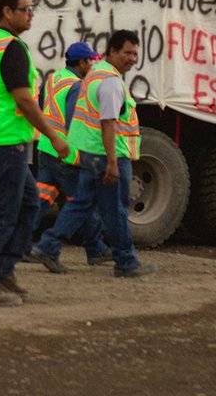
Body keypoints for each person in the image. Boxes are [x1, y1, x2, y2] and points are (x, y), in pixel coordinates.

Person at [0, 0, 70, 307]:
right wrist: (53, 135)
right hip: (5, 142)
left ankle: (3, 270)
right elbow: (23, 99)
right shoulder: (10, 47)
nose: (30, 15)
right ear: (7, 12)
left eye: (31, 9)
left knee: (27, 204)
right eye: (25, 9)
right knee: (1, 216)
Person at [30, 29, 156, 278]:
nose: (132, 58)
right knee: (116, 209)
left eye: (135, 54)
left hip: (89, 153)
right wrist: (111, 161)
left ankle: (48, 246)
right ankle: (126, 261)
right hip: (107, 155)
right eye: (127, 53)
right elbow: (108, 122)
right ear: (112, 52)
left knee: (81, 203)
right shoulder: (110, 81)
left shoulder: (95, 74)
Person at [24, 42, 113, 268]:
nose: (92, 66)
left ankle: (21, 244)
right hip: (65, 152)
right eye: (90, 61)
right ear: (81, 63)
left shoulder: (54, 78)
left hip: (46, 147)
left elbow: (43, 105)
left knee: (41, 199)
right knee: (82, 203)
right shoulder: (76, 86)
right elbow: (76, 120)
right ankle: (90, 249)